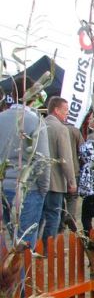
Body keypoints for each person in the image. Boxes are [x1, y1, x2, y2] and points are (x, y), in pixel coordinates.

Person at [0, 98, 50, 248]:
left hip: (3, 186)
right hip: (28, 188)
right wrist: (44, 188)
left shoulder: (1, 117)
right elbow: (43, 160)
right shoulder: (36, 122)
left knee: (8, 242)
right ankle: (22, 273)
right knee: (24, 246)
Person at [42, 96, 78, 250]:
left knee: (39, 216)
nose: (67, 114)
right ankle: (48, 247)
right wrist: (71, 181)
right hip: (55, 181)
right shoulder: (61, 129)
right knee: (53, 216)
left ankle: (35, 246)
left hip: (38, 181)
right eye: (65, 111)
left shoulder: (40, 125)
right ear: (56, 110)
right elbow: (66, 159)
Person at [77, 112, 94, 232]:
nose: (90, 121)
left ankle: (90, 236)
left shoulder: (92, 139)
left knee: (86, 216)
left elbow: (86, 155)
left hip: (92, 183)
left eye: (92, 119)